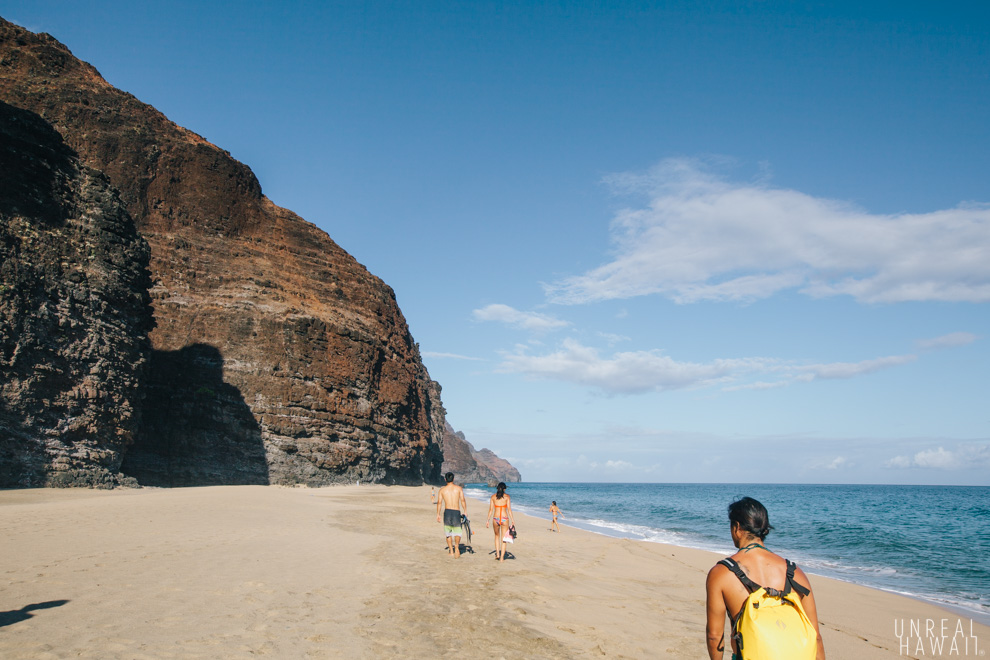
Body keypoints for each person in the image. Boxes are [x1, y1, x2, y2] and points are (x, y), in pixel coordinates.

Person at [705, 497, 826, 660]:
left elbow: (714, 636)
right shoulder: (794, 572)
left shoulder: (722, 573)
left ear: (737, 528)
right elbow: (815, 636)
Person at [435, 472, 467, 558]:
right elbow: (462, 500)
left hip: (447, 512)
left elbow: (439, 503)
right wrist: (465, 511)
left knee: (448, 532)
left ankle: (451, 551)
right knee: (457, 531)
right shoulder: (459, 489)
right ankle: (456, 546)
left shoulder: (442, 490)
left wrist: (438, 514)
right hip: (456, 511)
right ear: (453, 479)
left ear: (445, 479)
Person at [486, 482, 515, 562]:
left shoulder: (493, 497)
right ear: (504, 489)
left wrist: (488, 520)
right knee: (504, 539)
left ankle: (497, 554)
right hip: (504, 519)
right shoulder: (507, 497)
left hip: (496, 519)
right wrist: (512, 520)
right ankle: (502, 558)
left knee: (496, 536)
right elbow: (509, 510)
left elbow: (491, 510)